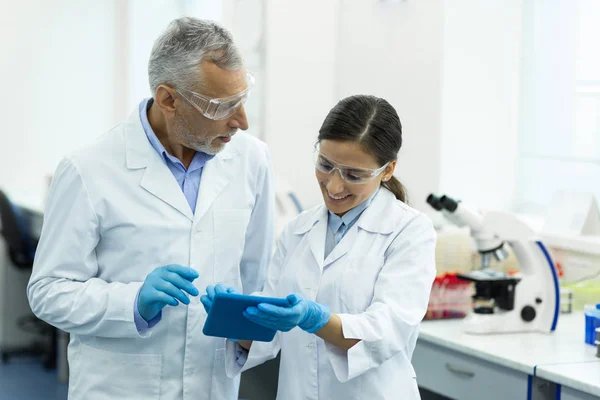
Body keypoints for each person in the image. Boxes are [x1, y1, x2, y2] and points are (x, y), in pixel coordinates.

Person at [27, 17, 274, 400]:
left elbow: (258, 276)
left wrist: (249, 339)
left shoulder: (251, 159)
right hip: (121, 387)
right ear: (168, 99)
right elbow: (48, 291)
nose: (241, 121)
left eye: (241, 99)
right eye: (222, 106)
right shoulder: (89, 169)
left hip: (212, 385)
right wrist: (134, 301)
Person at [203, 94, 437, 399]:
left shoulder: (409, 231)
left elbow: (386, 332)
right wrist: (235, 320)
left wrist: (316, 319)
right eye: (326, 165)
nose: (334, 185)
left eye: (354, 175)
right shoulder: (299, 230)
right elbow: (267, 338)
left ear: (388, 170)